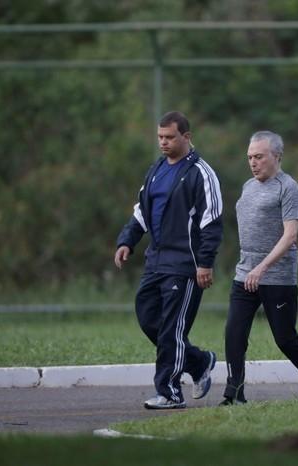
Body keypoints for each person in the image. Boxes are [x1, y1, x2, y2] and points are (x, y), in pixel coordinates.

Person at [114, 111, 222, 409]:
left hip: (185, 266)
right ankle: (199, 362)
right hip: (155, 262)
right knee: (148, 318)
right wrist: (127, 241)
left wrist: (205, 263)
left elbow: (211, 223)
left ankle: (170, 392)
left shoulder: (201, 173)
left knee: (172, 329)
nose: (163, 142)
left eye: (170, 137)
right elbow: (141, 211)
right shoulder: (157, 169)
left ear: (186, 137)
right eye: (160, 137)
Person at [220, 130, 298, 405]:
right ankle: (234, 394)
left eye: (259, 156)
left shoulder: (288, 187)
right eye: (249, 157)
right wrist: (251, 267)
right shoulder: (248, 186)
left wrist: (263, 267)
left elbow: (290, 235)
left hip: (277, 277)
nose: (253, 162)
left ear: (277, 156)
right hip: (245, 273)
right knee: (234, 333)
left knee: (285, 339)